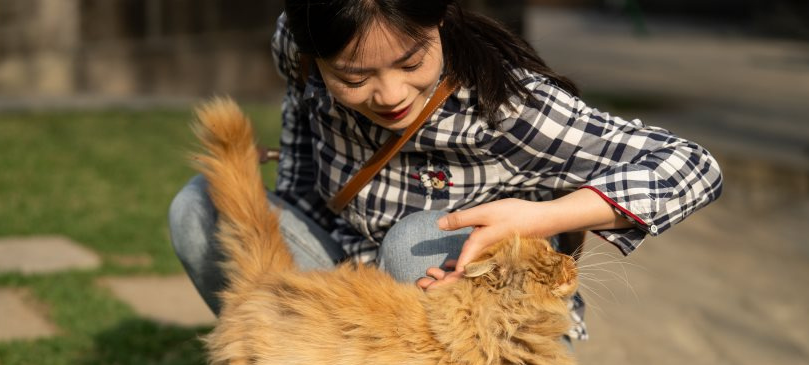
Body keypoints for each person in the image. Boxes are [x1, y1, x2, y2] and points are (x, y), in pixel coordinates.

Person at [169, 0, 722, 340]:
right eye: (354, 78)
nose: (389, 95)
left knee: (418, 241)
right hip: (343, 266)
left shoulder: (507, 105)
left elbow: (692, 167)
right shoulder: (297, 41)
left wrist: (539, 218)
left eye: (411, 63)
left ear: (437, 19)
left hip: (456, 306)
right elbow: (301, 115)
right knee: (200, 209)